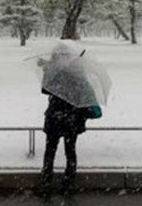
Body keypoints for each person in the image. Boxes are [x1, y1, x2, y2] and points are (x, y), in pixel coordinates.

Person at [37, 44, 101, 195]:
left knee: (50, 151)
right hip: (71, 120)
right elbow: (84, 95)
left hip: (54, 119)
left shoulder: (54, 73)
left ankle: (46, 182)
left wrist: (47, 69)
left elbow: (45, 89)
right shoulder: (78, 75)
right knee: (70, 151)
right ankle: (68, 182)